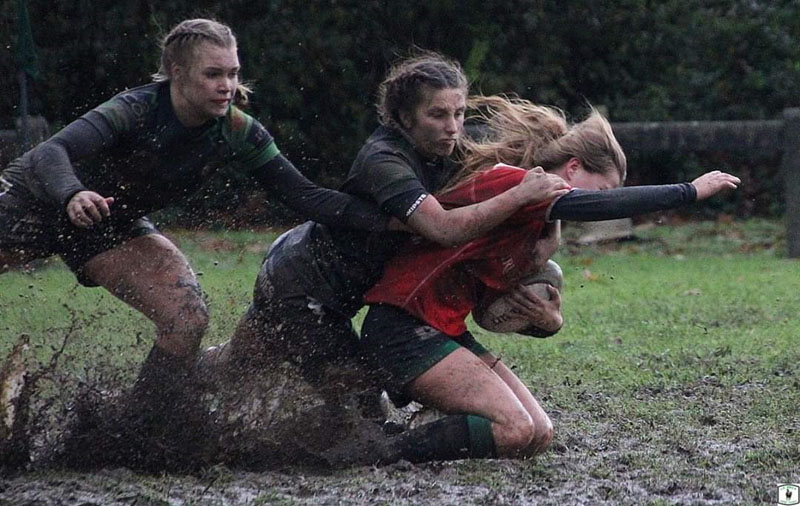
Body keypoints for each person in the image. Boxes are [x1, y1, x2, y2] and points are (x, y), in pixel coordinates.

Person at [0, 18, 406, 420]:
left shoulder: (238, 131)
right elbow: (48, 153)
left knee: (186, 317)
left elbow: (306, 197)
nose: (226, 85)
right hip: (33, 199)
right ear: (178, 73)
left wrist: (398, 219)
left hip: (109, 223)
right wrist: (73, 193)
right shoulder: (137, 109)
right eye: (213, 74)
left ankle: (137, 427)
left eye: (233, 73)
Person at [358, 95, 740, 464]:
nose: (604, 201)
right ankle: (377, 452)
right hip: (402, 326)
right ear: (573, 168)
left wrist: (546, 323)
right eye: (603, 188)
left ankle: (429, 426)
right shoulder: (514, 183)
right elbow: (598, 207)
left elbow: (489, 313)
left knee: (538, 434)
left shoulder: (532, 231)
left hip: (444, 330)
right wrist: (688, 191)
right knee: (515, 429)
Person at [217, 53, 567, 384]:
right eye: (438, 115)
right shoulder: (384, 161)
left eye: (459, 113)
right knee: (356, 402)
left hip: (317, 277)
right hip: (302, 284)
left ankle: (193, 380)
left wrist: (552, 228)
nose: (452, 127)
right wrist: (521, 195)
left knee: (237, 366)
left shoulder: (446, 144)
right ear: (404, 117)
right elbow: (444, 229)